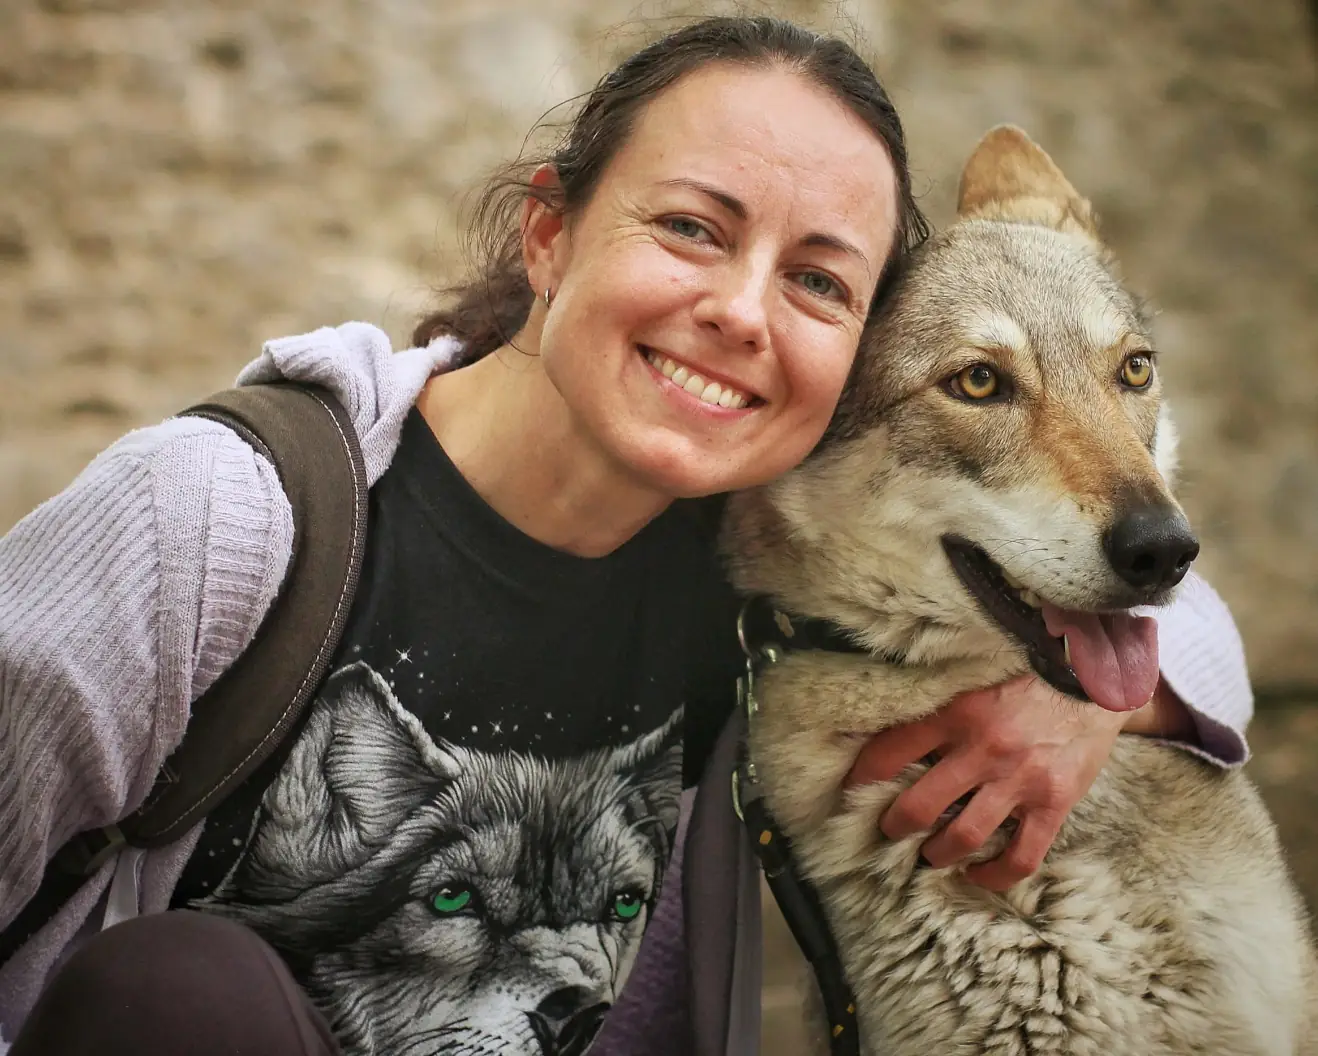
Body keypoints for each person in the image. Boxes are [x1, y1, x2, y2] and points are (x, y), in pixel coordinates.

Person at [0, 15, 1251, 1056]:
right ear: (550, 234)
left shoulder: (768, 546)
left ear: (856, 355)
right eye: (693, 229)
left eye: (818, 280)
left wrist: (1084, 691)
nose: (740, 313)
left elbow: (1153, 579)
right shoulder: (219, 520)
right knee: (181, 995)